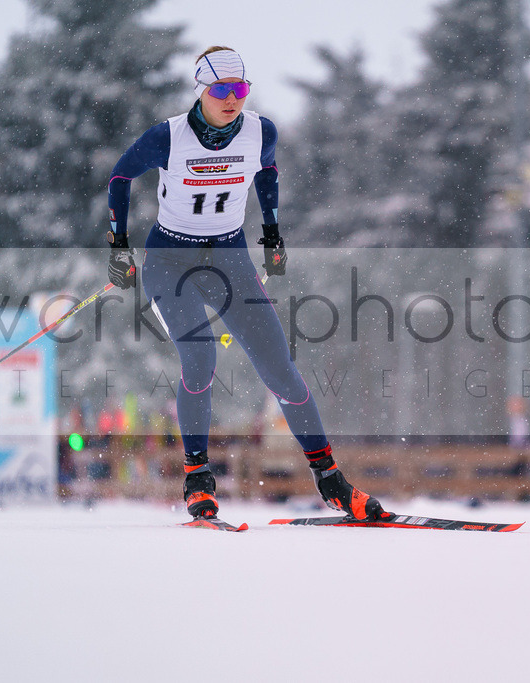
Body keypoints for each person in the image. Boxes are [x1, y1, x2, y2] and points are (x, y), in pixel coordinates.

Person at [106, 46, 388, 524]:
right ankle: (198, 480)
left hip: (230, 258)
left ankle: (331, 481)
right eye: (221, 90)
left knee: (280, 369)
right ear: (201, 90)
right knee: (200, 359)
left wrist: (273, 235)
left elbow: (268, 172)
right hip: (170, 261)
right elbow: (119, 175)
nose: (232, 99)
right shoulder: (167, 137)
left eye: (240, 89)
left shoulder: (261, 131)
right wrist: (117, 245)